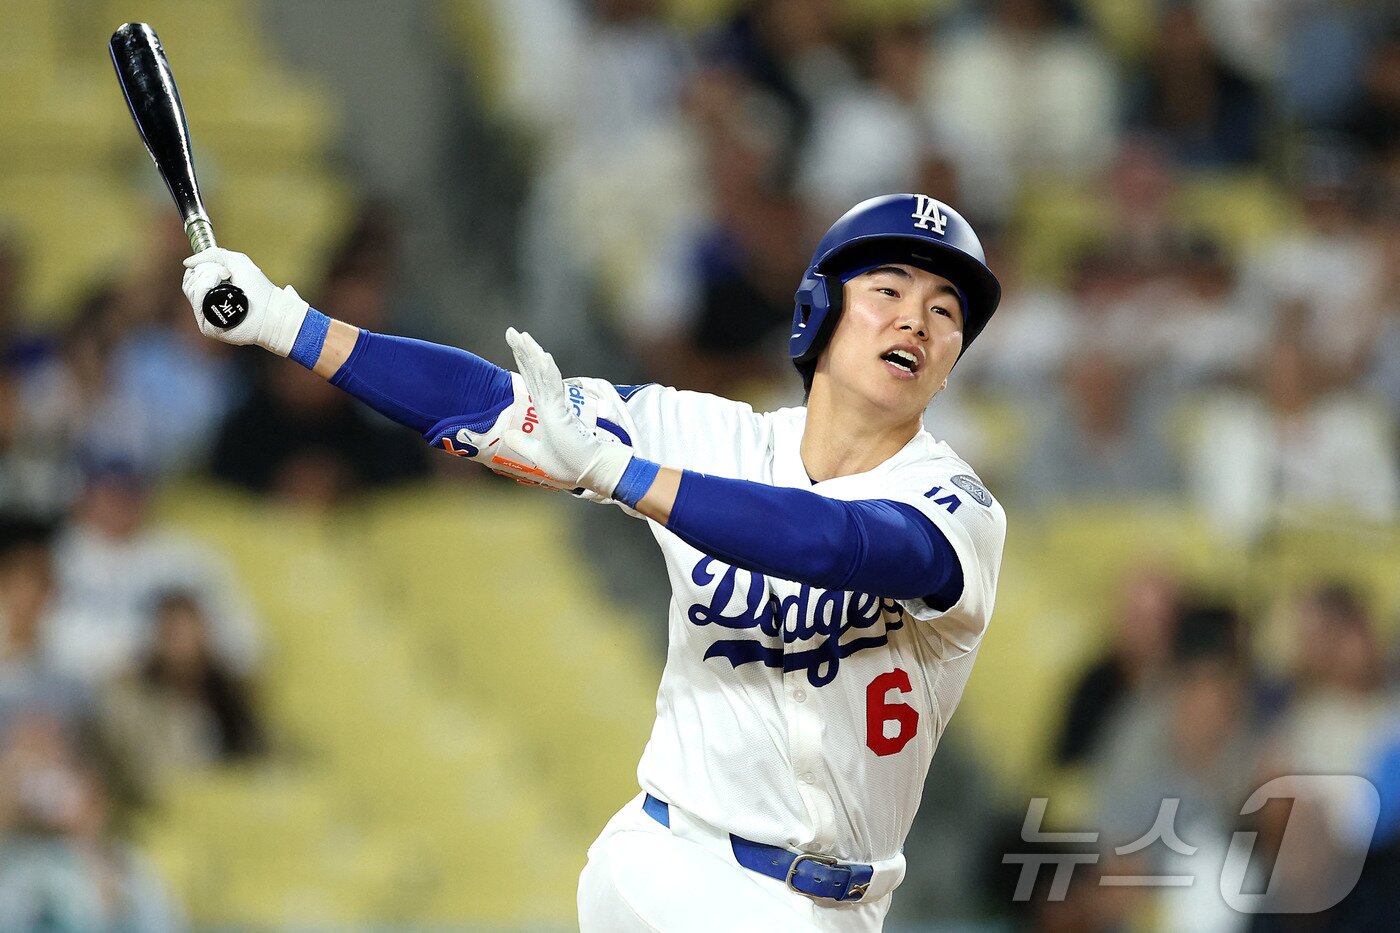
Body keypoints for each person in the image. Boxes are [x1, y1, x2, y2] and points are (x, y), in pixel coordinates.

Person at [178, 192, 1007, 931]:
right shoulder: (705, 435)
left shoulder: (958, 504)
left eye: (945, 311)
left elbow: (837, 542)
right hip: (676, 863)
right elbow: (485, 404)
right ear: (820, 310)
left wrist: (624, 474)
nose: (915, 321)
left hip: (846, 905)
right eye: (889, 290)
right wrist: (285, 321)